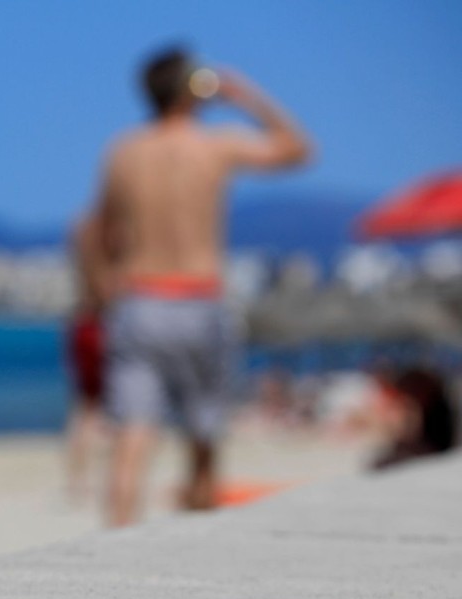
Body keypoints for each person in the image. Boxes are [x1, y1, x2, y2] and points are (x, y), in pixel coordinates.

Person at [76, 46, 312, 526]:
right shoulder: (214, 145)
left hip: (139, 300)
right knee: (203, 439)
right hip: (198, 300)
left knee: (130, 443)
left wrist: (101, 292)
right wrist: (244, 96)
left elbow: (93, 231)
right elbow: (297, 149)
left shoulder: (124, 151)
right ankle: (196, 543)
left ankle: (113, 553)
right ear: (191, 88)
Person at [64, 221, 110, 504]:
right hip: (104, 327)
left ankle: (77, 481)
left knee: (84, 407)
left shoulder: (81, 236)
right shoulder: (112, 244)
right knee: (115, 408)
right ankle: (107, 477)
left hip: (81, 325)